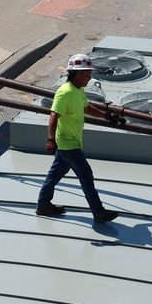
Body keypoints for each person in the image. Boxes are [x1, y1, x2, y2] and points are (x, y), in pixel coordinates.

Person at [36, 53, 119, 223]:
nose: (89, 77)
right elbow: (53, 116)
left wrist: (106, 116)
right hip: (68, 144)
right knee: (86, 175)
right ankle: (99, 212)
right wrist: (50, 140)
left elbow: (87, 107)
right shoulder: (65, 92)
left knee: (55, 175)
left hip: (71, 142)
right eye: (87, 74)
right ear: (78, 74)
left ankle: (43, 204)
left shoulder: (78, 90)